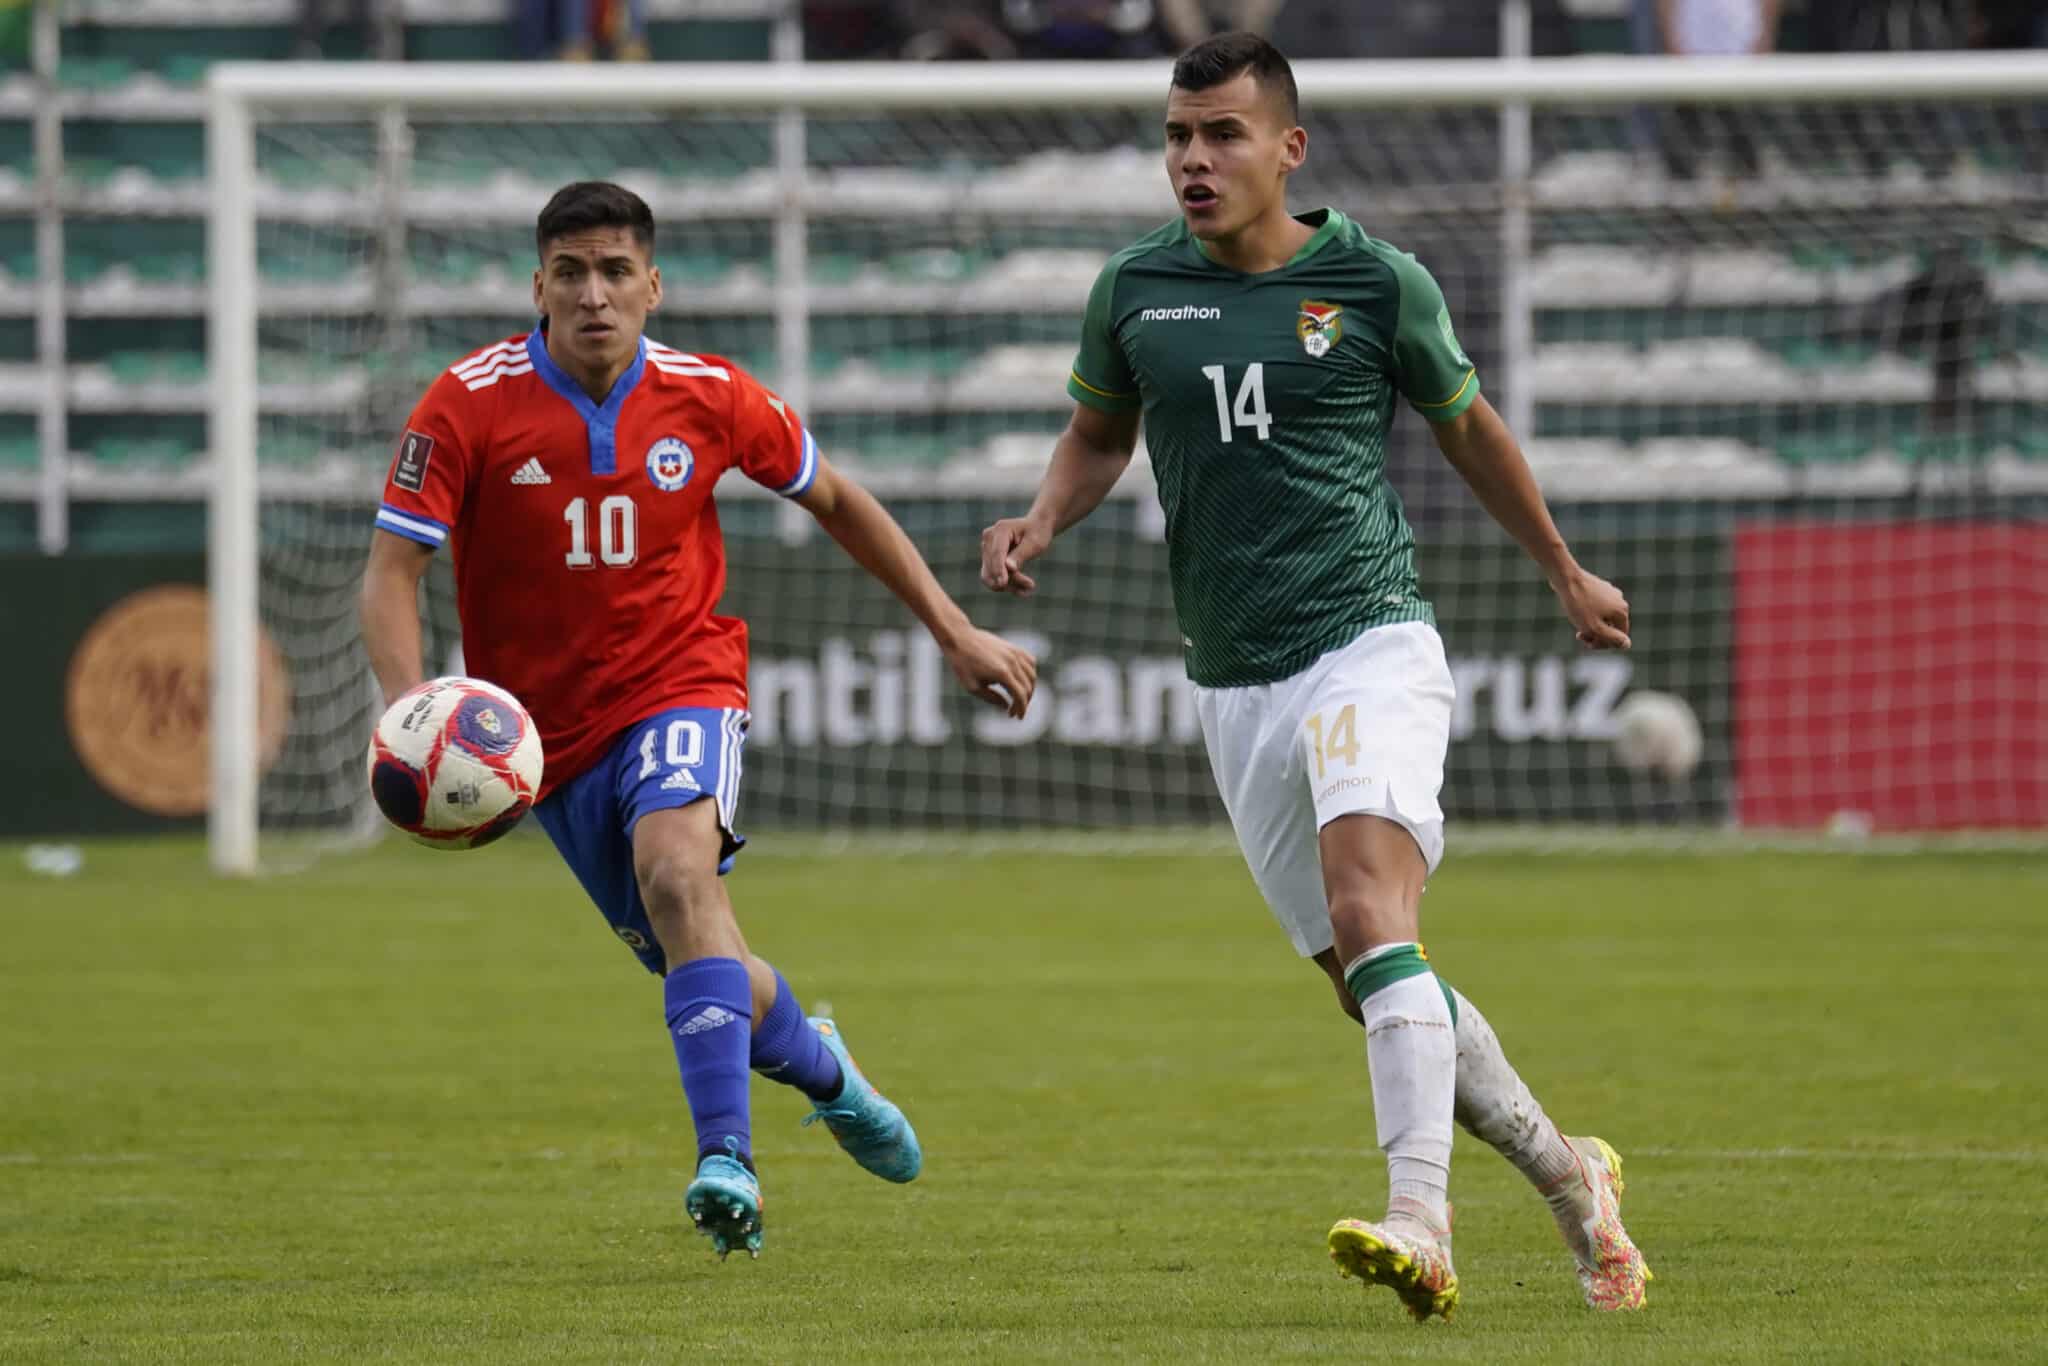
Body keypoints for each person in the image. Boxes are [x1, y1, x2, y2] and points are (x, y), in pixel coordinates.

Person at [979, 33, 1648, 1321]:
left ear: (1287, 149)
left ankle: (1420, 1222)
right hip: (1232, 683)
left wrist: (1561, 568)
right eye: (1176, 135)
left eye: (1221, 134)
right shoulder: (1131, 290)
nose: (1192, 159)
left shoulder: (1374, 280)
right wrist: (1040, 520)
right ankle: (1573, 1179)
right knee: (1368, 978)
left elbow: (1468, 427)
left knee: (1366, 910)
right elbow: (1095, 431)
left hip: (1368, 637)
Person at [361, 181, 1037, 1260]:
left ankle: (728, 1162)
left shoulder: (709, 393)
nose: (594, 294)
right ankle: (822, 1067)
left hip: (681, 683)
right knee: (697, 958)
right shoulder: (466, 402)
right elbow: (393, 568)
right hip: (545, 745)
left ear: (651, 285)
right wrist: (410, 709)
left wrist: (950, 628)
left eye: (615, 271)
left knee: (680, 875)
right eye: (571, 273)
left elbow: (839, 501)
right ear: (537, 285)